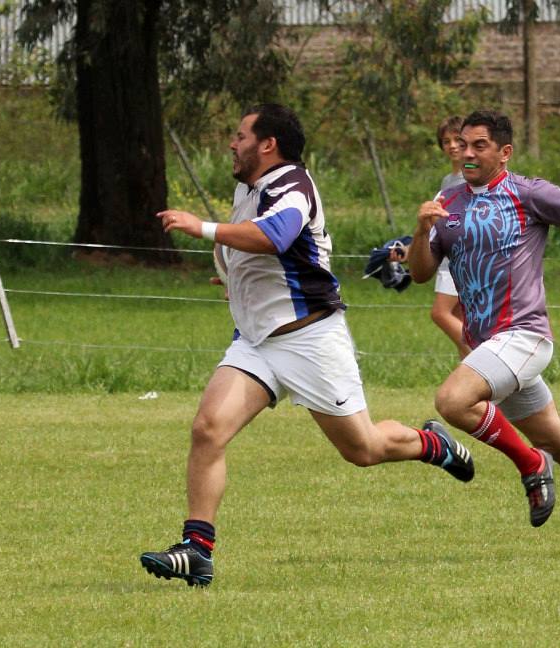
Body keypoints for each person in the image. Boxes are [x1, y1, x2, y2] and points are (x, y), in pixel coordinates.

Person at [140, 104, 474, 587]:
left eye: (240, 136)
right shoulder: (248, 187)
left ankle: (430, 444)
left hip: (311, 341)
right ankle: (197, 549)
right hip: (257, 343)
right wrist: (236, 279)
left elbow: (276, 236)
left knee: (363, 449)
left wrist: (202, 227)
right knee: (208, 429)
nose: (232, 144)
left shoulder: (294, 186)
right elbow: (264, 250)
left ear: (267, 144)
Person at [406, 109, 560, 555]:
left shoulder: (527, 192)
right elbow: (422, 274)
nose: (467, 152)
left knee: (452, 401)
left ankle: (530, 463)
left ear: (504, 153)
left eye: (479, 145)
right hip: (491, 347)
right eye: (463, 144)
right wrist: (422, 232)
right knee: (557, 438)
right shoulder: (450, 206)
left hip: (524, 335)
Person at [389, 116, 471, 358]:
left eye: (458, 139)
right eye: (446, 141)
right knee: (458, 321)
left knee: (440, 313)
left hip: (459, 260)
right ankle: (477, 389)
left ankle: (485, 358)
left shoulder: (470, 178)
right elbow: (435, 225)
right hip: (445, 258)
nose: (453, 146)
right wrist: (410, 251)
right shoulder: (448, 180)